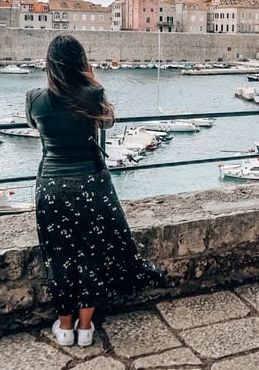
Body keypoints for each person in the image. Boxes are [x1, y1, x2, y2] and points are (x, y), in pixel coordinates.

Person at [26, 35, 167, 348]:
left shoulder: (34, 98)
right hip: (91, 183)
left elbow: (36, 126)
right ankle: (86, 328)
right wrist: (90, 80)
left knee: (59, 257)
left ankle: (64, 328)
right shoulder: (94, 94)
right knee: (91, 254)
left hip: (52, 187)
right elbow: (108, 123)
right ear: (81, 62)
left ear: (49, 65)